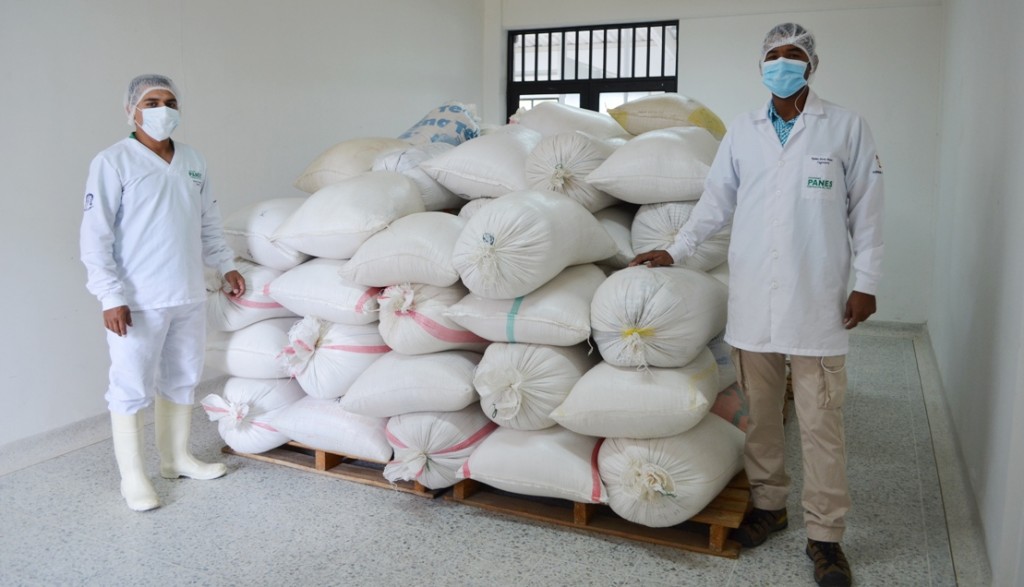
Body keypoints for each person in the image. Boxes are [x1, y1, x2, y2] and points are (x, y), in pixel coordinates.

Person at [630, 23, 883, 587]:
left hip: (820, 300)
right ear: (761, 66)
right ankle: (771, 505)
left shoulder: (844, 127)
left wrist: (866, 280)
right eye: (774, 55)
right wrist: (675, 250)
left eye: (794, 55)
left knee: (821, 425)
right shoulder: (742, 132)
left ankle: (826, 538)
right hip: (754, 301)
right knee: (762, 418)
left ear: (811, 65)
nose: (783, 63)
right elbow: (715, 205)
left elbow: (867, 210)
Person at [80, 74, 246, 512]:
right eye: (151, 101)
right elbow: (95, 236)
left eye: (170, 101)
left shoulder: (193, 160)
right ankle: (133, 476)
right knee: (130, 385)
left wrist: (226, 265)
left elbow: (208, 220)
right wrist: (109, 296)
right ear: (131, 110)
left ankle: (176, 459)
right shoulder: (113, 161)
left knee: (182, 379)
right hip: (136, 300)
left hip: (188, 291)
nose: (162, 109)